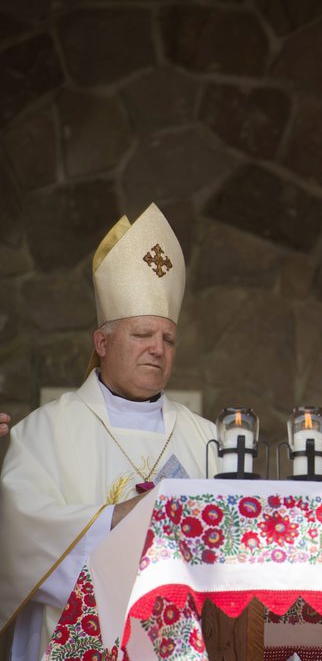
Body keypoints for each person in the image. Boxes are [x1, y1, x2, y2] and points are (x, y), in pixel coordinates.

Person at [0, 205, 216, 660]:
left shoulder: (205, 438)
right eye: (142, 334)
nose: (157, 349)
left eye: (169, 339)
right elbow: (20, 535)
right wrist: (121, 517)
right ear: (102, 343)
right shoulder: (43, 432)